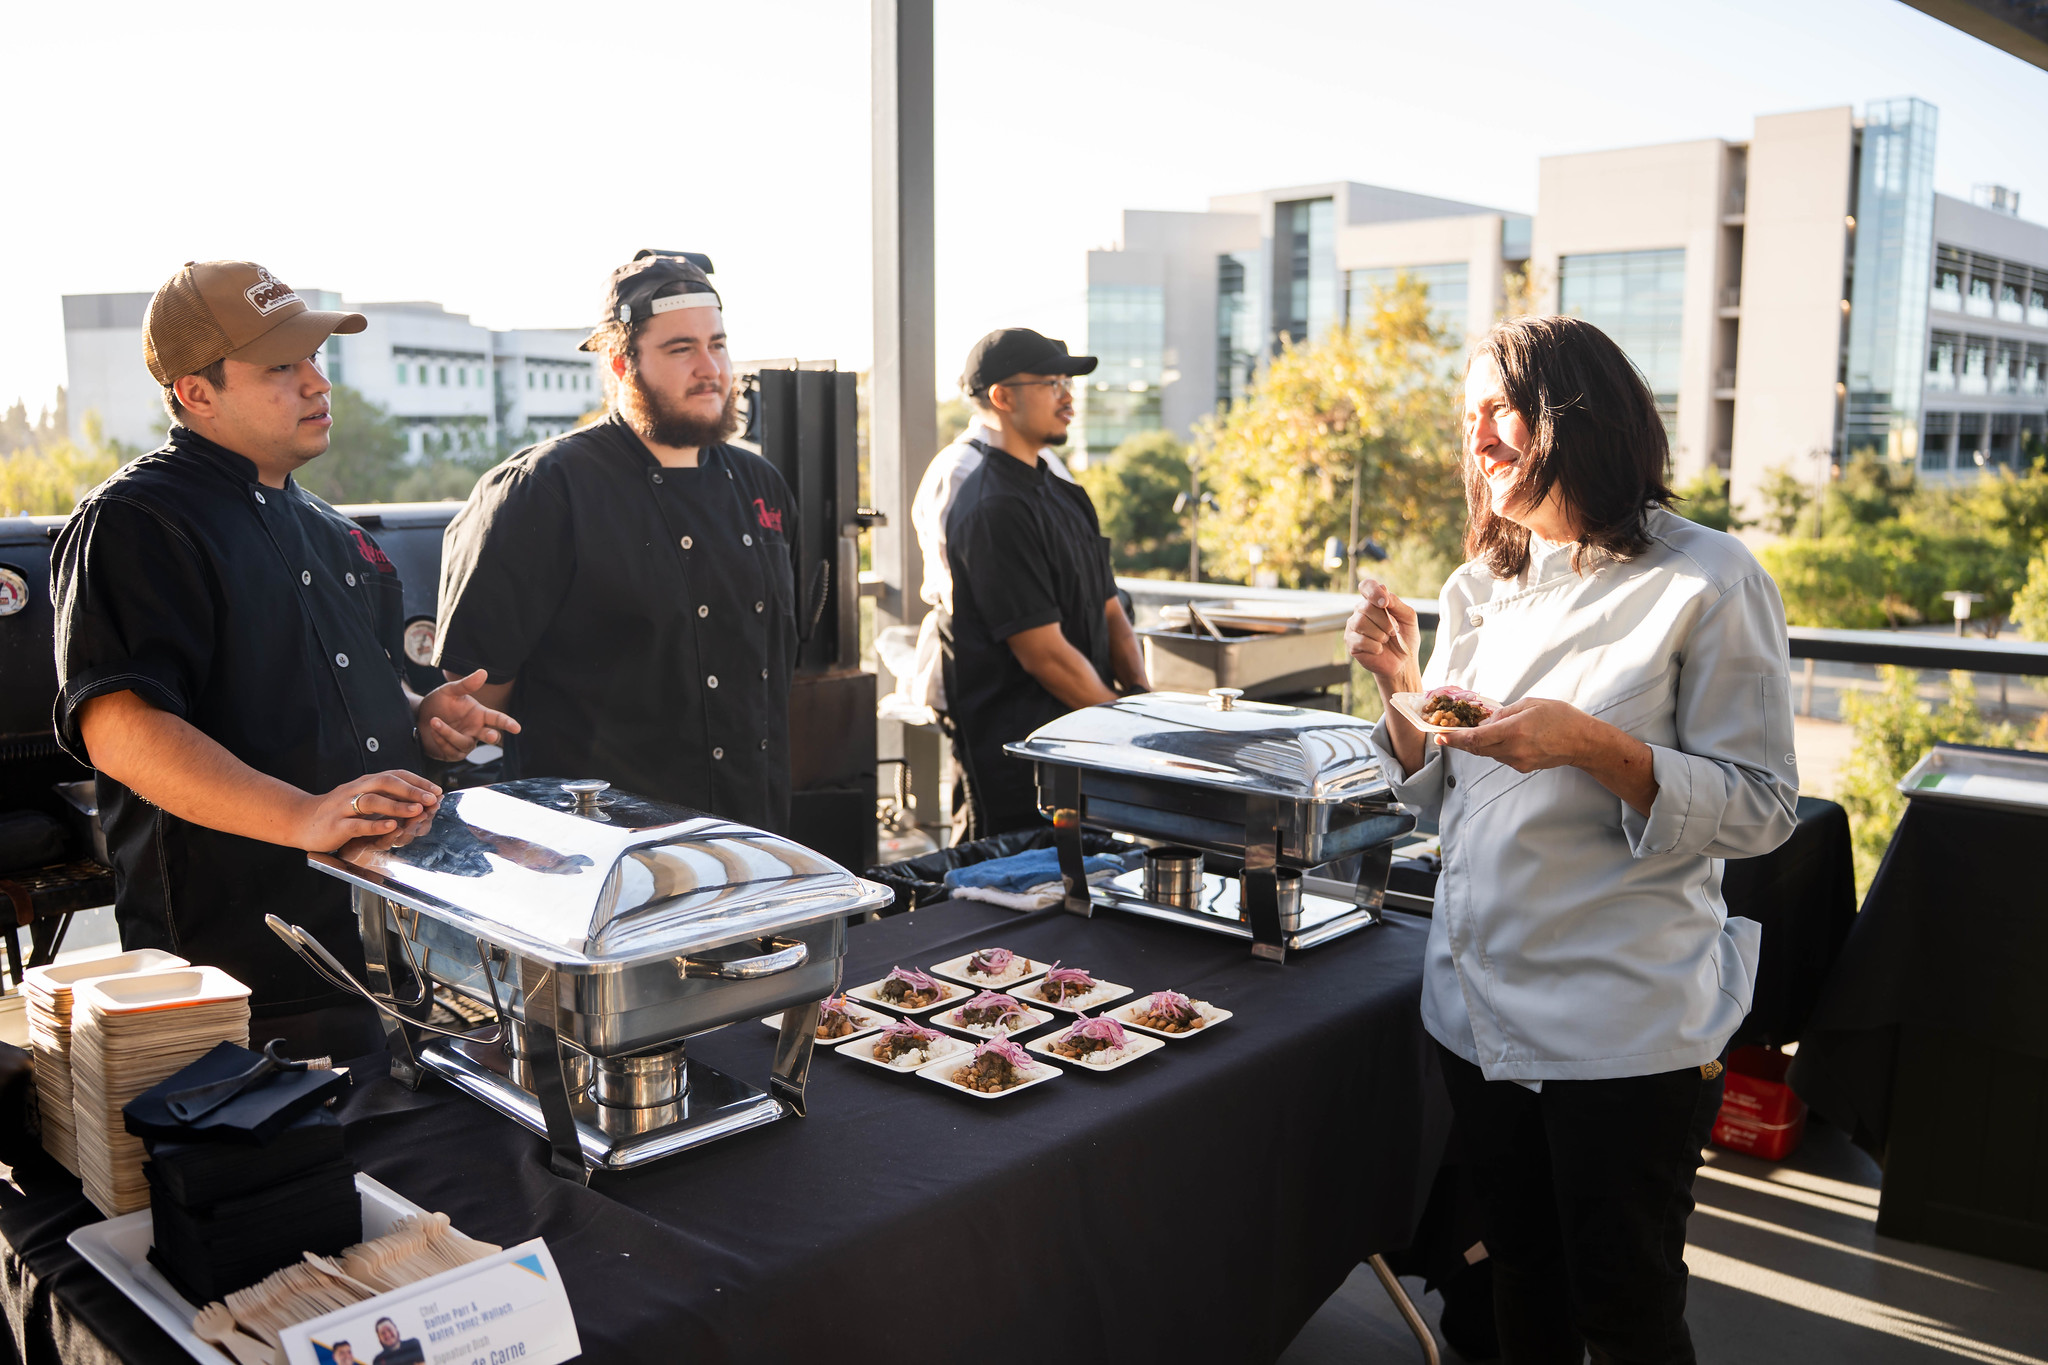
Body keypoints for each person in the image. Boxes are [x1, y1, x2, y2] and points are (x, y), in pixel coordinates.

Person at [1346, 314, 1798, 1363]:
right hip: (1475, 1011)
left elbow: (1763, 805)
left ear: (1570, 414)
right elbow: (1441, 793)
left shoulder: (1709, 580)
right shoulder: (1476, 586)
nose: (1478, 440)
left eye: (1496, 411)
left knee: (1626, 1310)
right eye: (1467, 421)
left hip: (1622, 1023)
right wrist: (1401, 695)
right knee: (1516, 1285)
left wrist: (1599, 750)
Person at [51, 261, 518, 1060]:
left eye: (314, 360)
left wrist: (421, 715)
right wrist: (304, 817)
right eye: (280, 366)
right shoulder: (136, 523)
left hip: (386, 961)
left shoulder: (337, 534)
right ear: (195, 393)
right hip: (232, 988)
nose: (315, 383)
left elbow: (336, 689)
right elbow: (122, 732)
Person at [435, 252, 797, 832]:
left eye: (718, 344)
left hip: (752, 838)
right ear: (620, 362)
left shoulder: (762, 485)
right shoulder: (544, 488)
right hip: (599, 857)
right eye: (681, 349)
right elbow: (474, 706)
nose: (711, 368)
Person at [941, 329, 1149, 839]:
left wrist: (1142, 701)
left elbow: (1110, 613)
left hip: (1089, 753)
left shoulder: (1064, 494)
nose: (1067, 395)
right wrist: (1125, 726)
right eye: (1051, 382)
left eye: (1068, 382)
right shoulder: (992, 508)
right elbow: (1045, 655)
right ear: (1002, 396)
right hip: (1028, 772)